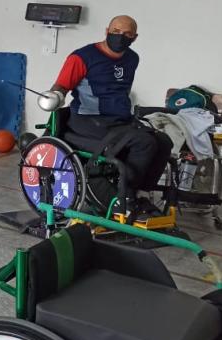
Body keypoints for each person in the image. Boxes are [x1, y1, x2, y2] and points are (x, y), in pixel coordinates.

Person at [49, 15, 172, 209]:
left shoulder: (132, 58)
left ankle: (141, 193)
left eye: (127, 34)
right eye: (116, 32)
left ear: (135, 37)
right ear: (107, 31)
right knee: (144, 143)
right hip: (88, 120)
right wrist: (54, 96)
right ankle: (123, 197)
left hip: (119, 121)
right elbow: (61, 85)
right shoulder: (81, 57)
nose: (120, 36)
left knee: (164, 142)